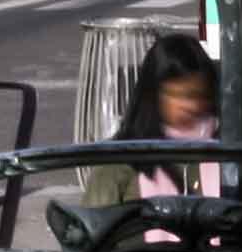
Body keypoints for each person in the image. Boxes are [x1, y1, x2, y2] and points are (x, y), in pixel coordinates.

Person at [85, 31, 224, 205]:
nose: (190, 107)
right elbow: (94, 226)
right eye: (178, 96)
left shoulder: (225, 153)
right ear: (153, 96)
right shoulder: (118, 165)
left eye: (198, 96)